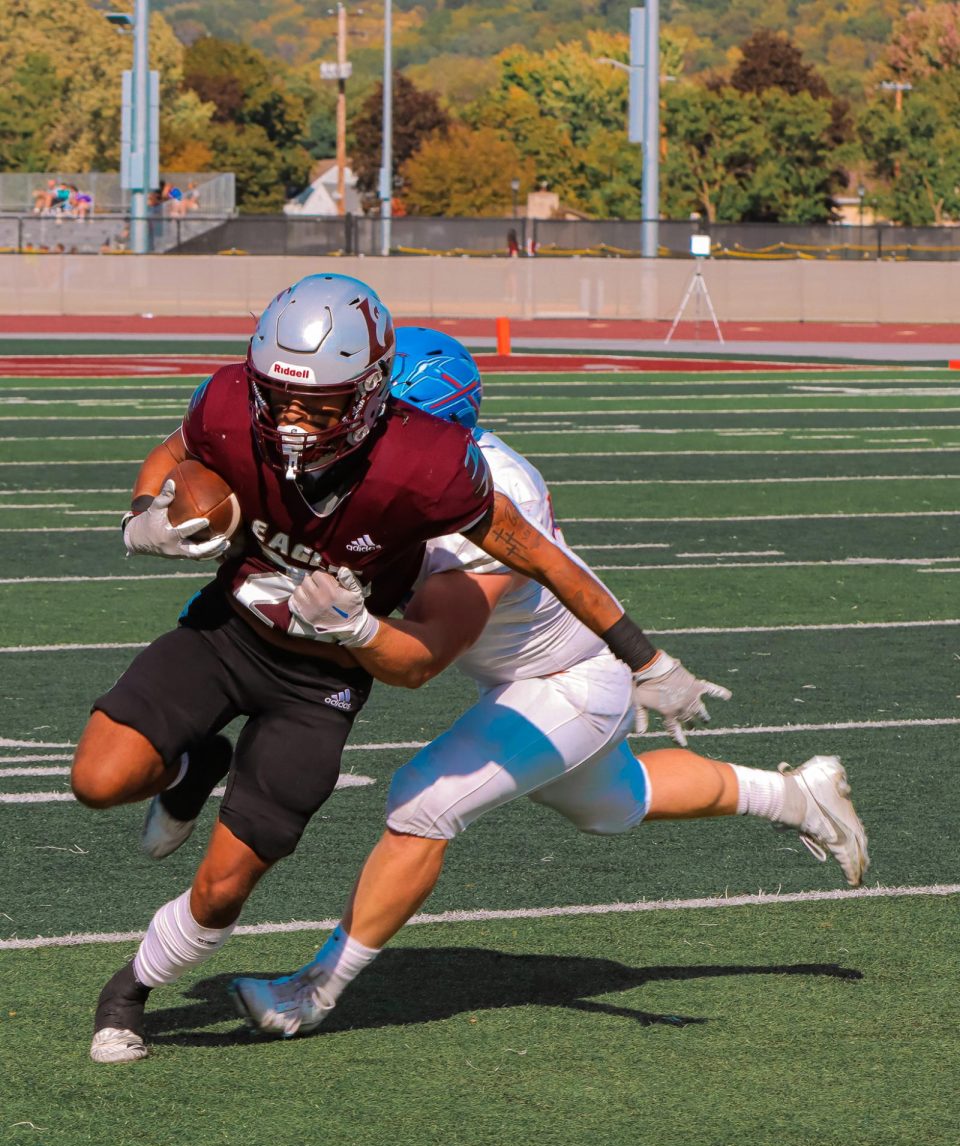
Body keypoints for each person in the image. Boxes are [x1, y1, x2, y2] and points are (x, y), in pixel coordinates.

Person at [73, 277, 727, 1064]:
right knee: (97, 782)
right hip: (225, 633)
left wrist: (355, 625)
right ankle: (191, 762)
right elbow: (179, 455)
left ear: (373, 398)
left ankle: (130, 991)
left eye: (315, 404)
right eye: (275, 395)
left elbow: (451, 634)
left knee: (223, 886)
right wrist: (145, 512)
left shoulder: (434, 472)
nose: (286, 421)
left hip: (320, 684)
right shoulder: (228, 401)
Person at [228, 327, 870, 1039]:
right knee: (617, 804)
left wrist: (355, 626)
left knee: (423, 803)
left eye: (382, 415)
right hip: (527, 679)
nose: (360, 429)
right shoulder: (412, 464)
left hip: (568, 682)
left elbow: (433, 645)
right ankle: (793, 795)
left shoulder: (491, 495)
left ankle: (314, 991)